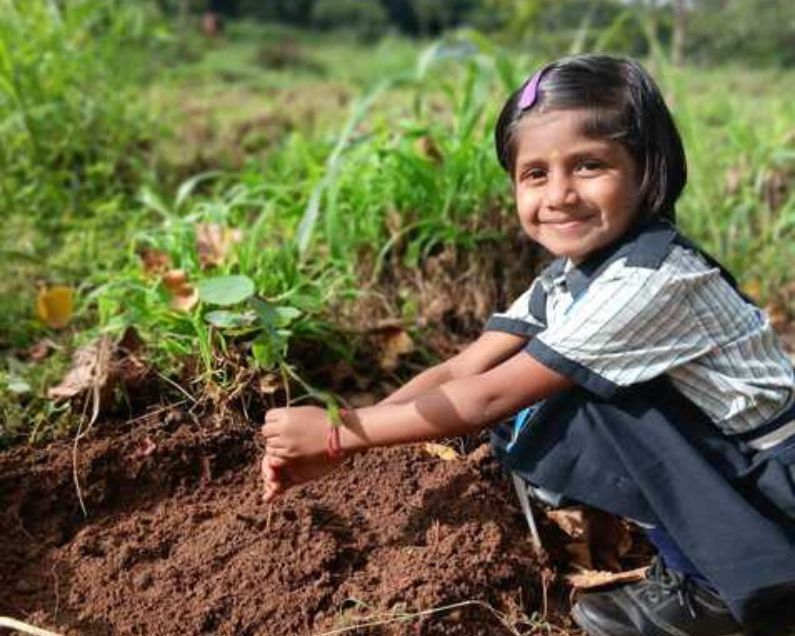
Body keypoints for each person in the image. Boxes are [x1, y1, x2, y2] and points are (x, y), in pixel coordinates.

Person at [260, 54, 795, 636]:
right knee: (550, 393)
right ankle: (710, 561)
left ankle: (720, 587)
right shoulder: (570, 276)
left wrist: (340, 431)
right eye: (535, 174)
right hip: (744, 467)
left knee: (565, 404)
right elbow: (464, 367)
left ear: (648, 171)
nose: (559, 194)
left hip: (777, 482)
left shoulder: (650, 280)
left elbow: (489, 396)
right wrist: (345, 443)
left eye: (588, 166)